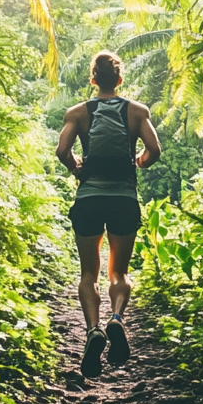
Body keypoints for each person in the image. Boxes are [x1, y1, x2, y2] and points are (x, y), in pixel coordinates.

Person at [55, 50, 161, 378]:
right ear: (119, 79)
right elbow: (153, 150)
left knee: (89, 273)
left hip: (88, 200)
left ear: (92, 79)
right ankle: (116, 319)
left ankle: (93, 331)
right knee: (119, 273)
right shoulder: (138, 111)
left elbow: (62, 151)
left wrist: (77, 169)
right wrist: (138, 164)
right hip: (123, 200)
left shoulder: (77, 113)